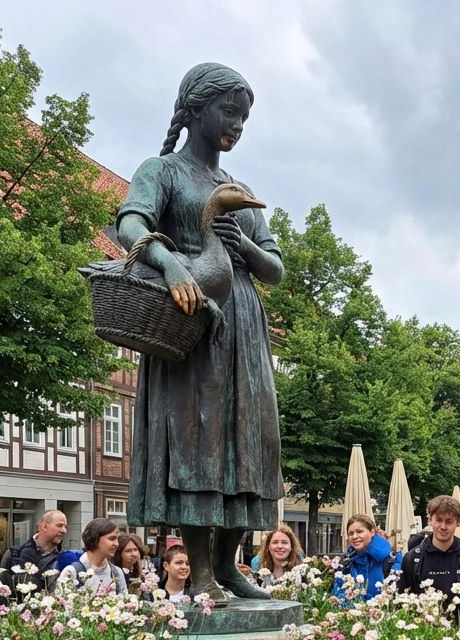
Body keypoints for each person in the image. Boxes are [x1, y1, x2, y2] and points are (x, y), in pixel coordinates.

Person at [117, 63, 284, 604]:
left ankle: (230, 565)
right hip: (193, 322)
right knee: (200, 439)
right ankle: (204, 573)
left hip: (244, 328)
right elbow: (130, 224)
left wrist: (246, 247)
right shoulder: (162, 171)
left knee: (254, 441)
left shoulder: (239, 189)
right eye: (228, 112)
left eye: (244, 116)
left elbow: (274, 269)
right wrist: (169, 263)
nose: (237, 124)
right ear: (195, 111)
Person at [398, 496, 460, 640]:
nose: (443, 526)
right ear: (430, 520)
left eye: (449, 521)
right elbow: (401, 605)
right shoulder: (412, 559)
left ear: (458, 523)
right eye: (439, 520)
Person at [332, 515, 399, 602]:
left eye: (359, 531)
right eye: (350, 533)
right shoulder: (347, 561)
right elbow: (337, 595)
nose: (354, 536)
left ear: (372, 531)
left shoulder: (391, 559)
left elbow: (398, 596)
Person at [0, 509, 68, 591]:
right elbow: (1, 590)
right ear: (44, 526)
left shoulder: (64, 559)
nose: (64, 531)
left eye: (65, 527)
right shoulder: (14, 554)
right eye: (59, 526)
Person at [56, 518, 128, 594]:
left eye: (117, 539)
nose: (116, 544)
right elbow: (59, 604)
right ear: (95, 539)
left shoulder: (117, 572)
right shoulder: (72, 572)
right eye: (111, 539)